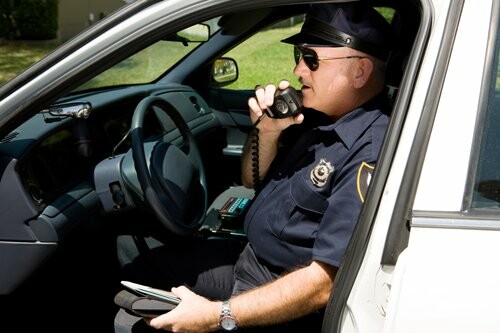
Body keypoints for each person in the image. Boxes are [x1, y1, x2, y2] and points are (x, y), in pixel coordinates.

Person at [114, 2, 394, 332]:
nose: (299, 71)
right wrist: (266, 130)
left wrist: (216, 315)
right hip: (249, 259)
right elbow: (251, 178)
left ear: (359, 71)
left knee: (132, 322)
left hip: (282, 294)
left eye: (311, 59)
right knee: (137, 260)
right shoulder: (316, 115)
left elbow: (323, 284)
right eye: (299, 57)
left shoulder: (369, 149)